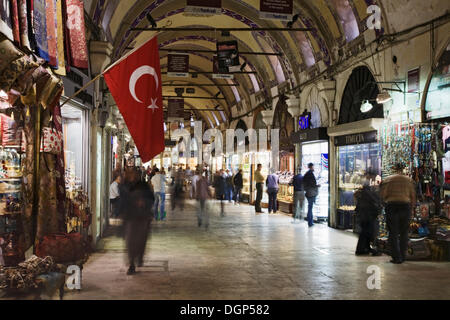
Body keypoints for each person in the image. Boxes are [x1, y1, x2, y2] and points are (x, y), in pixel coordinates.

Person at [119, 168, 154, 275]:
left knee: (141, 240)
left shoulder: (144, 185)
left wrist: (144, 202)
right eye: (130, 174)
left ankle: (139, 256)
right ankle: (131, 264)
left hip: (143, 217)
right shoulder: (125, 186)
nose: (132, 176)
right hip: (130, 217)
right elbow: (122, 201)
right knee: (130, 241)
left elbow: (151, 199)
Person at [380, 163, 416, 264]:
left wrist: (384, 203)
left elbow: (382, 194)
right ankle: (403, 256)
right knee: (404, 232)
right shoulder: (408, 180)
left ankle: (396, 257)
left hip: (392, 206)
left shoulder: (388, 180)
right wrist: (412, 208)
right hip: (405, 206)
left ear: (394, 169)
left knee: (393, 232)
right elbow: (413, 196)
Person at [354, 170, 382, 256]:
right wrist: (377, 202)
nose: (374, 178)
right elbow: (369, 196)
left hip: (365, 211)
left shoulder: (367, 183)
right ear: (370, 175)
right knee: (366, 230)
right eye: (373, 176)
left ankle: (365, 248)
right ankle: (361, 249)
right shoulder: (366, 183)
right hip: (366, 212)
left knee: (366, 231)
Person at [303, 163, 320, 227]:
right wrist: (317, 185)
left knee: (310, 207)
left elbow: (305, 183)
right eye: (313, 166)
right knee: (310, 207)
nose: (314, 168)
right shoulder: (310, 174)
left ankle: (310, 221)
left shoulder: (306, 174)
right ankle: (310, 222)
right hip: (311, 193)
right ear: (311, 167)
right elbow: (312, 184)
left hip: (308, 192)